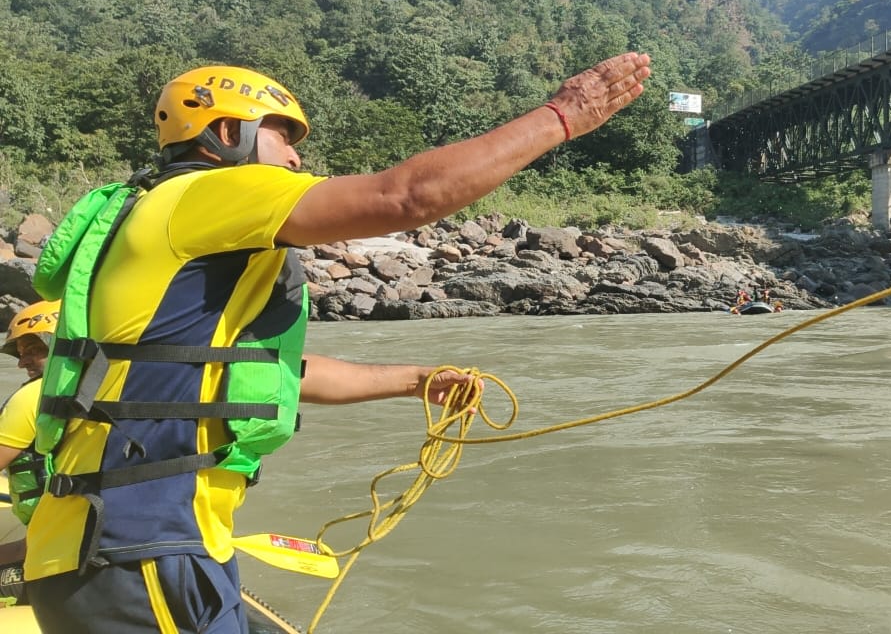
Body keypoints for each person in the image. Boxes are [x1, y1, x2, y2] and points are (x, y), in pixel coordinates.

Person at [23, 52, 651, 633]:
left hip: (122, 545)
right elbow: (405, 196)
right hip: (140, 544)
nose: (296, 157)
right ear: (223, 135)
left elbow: (268, 372)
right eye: (281, 136)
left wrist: (416, 381)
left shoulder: (158, 221)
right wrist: (563, 116)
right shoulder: (204, 193)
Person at [0, 299, 60, 602]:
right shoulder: (112, 389)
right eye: (21, 354)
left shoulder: (30, 398)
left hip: (61, 559)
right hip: (84, 543)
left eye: (33, 350)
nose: (22, 364)